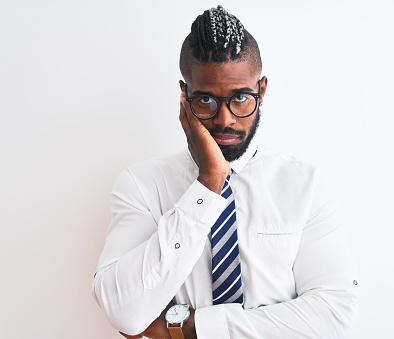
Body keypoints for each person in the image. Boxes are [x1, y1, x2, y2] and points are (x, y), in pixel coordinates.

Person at [92, 5, 358, 338]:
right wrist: (209, 183)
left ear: (261, 90)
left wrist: (191, 329)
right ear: (184, 95)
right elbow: (123, 312)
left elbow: (333, 312)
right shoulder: (142, 185)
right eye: (205, 100)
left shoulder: (306, 184)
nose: (225, 119)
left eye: (241, 98)